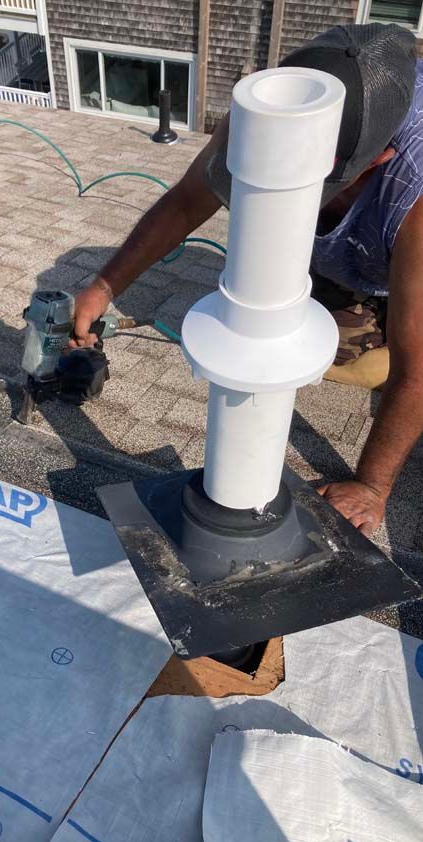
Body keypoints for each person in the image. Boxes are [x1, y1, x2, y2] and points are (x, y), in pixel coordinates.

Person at [70, 23, 423, 537]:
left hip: (394, 250)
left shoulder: (413, 194)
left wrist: (372, 486)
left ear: (379, 158)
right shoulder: (266, 117)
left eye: (320, 182)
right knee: (326, 336)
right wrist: (103, 288)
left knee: (387, 359)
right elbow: (189, 198)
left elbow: (418, 371)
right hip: (351, 245)